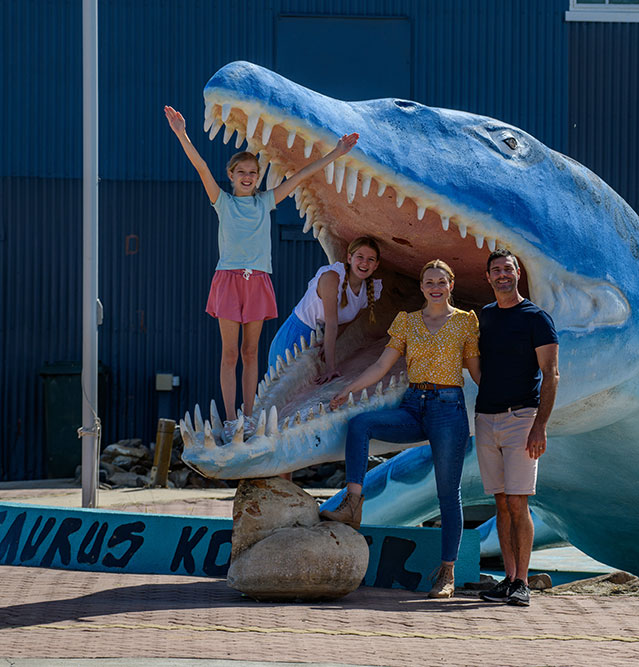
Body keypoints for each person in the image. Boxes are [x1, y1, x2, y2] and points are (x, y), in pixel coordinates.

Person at [163, 104, 358, 432]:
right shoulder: (222, 202)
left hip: (258, 282)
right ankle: (229, 420)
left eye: (253, 173)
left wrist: (337, 153)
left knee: (251, 351)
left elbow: (300, 177)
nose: (248, 177)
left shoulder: (265, 201)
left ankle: (250, 417)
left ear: (257, 177)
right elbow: (200, 167)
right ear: (232, 176)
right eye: (242, 172)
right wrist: (182, 133)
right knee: (230, 354)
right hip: (228, 280)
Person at [322, 260, 480, 599]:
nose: (435, 286)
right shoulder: (406, 321)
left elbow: (477, 373)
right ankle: (353, 502)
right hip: (413, 405)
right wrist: (347, 391)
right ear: (421, 287)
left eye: (441, 280)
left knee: (447, 493)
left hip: (448, 410)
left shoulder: (466, 322)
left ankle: (446, 573)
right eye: (428, 281)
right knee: (360, 423)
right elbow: (381, 365)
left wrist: (508, 398)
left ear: (450, 284)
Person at [474, 248, 559, 607]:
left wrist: (540, 425)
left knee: (518, 502)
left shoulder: (536, 318)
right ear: (489, 278)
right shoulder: (484, 318)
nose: (502, 275)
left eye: (508, 269)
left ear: (518, 273)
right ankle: (507, 579)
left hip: (522, 419)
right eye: (496, 271)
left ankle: (523, 582)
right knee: (501, 503)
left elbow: (551, 374)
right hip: (485, 418)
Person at [267, 236, 383, 383]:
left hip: (316, 338)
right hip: (294, 337)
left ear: (376, 265)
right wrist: (330, 369)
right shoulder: (332, 277)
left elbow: (346, 322)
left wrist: (325, 341)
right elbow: (332, 323)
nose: (364, 263)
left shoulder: (369, 292)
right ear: (349, 258)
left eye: (371, 259)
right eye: (360, 257)